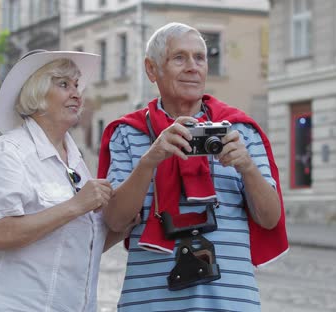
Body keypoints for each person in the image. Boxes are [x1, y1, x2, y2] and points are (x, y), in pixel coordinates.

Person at [98, 22, 288, 311]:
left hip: (230, 302)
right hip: (149, 303)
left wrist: (247, 167)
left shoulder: (240, 130)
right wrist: (151, 160)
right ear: (152, 69)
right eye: (179, 58)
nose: (192, 67)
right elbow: (114, 220)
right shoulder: (128, 133)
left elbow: (270, 218)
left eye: (200, 58)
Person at [0, 50, 137, 312]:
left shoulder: (75, 161)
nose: (76, 93)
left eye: (76, 85)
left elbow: (79, 243)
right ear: (36, 94)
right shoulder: (9, 152)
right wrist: (76, 205)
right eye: (63, 84)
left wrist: (124, 225)